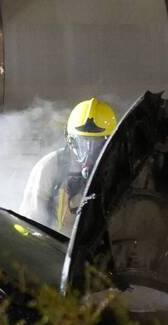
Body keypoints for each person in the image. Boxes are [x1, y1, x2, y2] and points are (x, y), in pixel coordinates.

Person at [20, 97, 118, 235]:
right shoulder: (50, 167)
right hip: (55, 251)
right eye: (82, 142)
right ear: (69, 139)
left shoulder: (119, 170)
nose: (88, 152)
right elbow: (30, 222)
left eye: (97, 143)